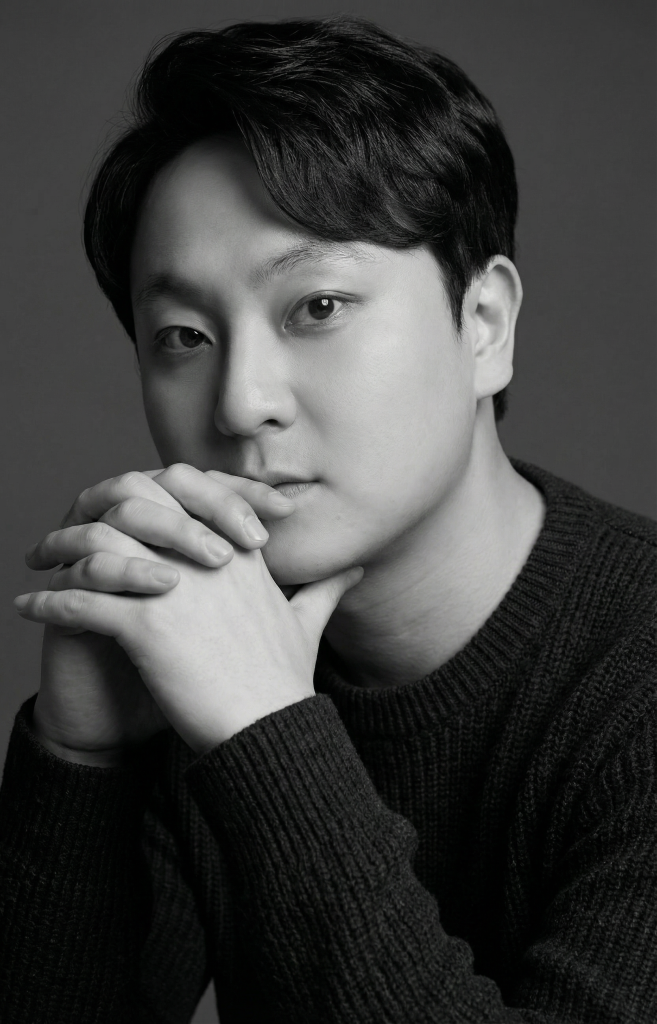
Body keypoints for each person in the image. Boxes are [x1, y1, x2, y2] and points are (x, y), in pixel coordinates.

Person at [0, 15, 654, 1024]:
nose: (239, 403)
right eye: (183, 335)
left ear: (484, 326)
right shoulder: (203, 640)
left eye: (317, 308)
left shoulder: (632, 680)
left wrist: (266, 734)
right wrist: (83, 762)